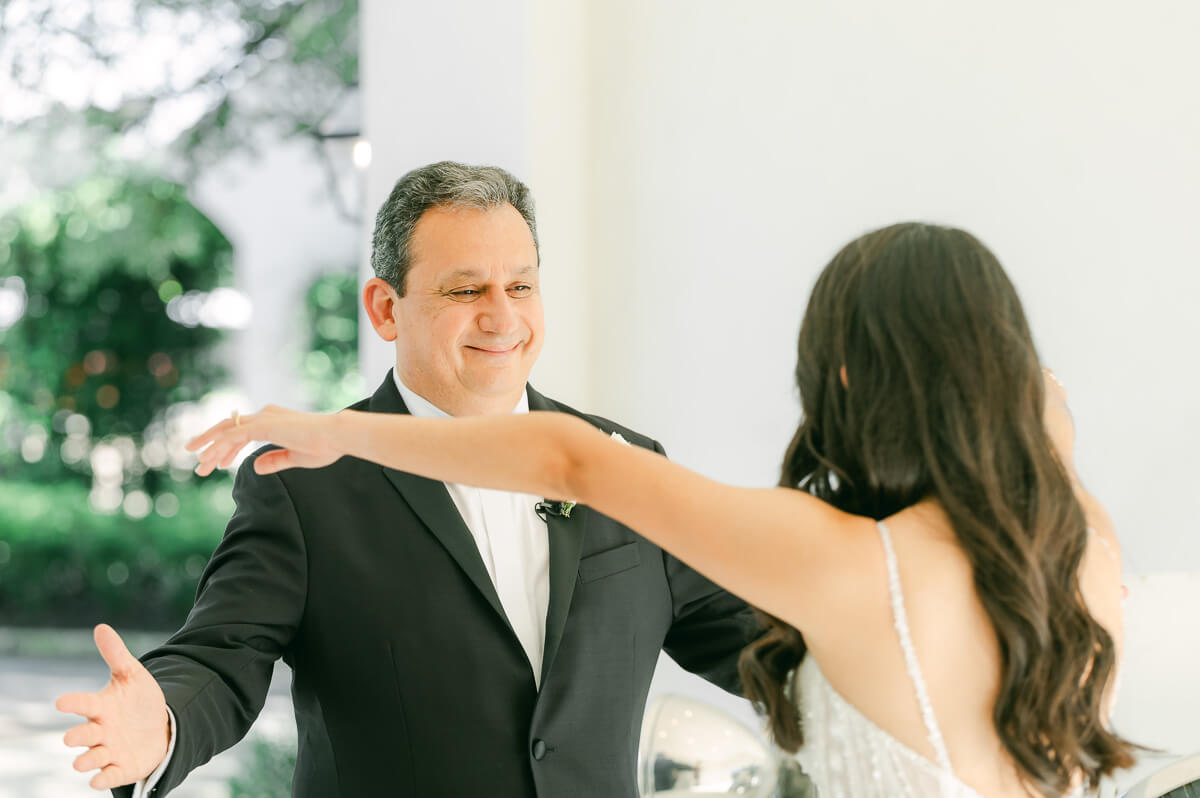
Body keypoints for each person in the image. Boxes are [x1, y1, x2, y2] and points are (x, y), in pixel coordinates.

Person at [185, 222, 1137, 797]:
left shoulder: (844, 560)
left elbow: (566, 457)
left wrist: (347, 433)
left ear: (848, 373)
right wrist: (1042, 425)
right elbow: (1045, 446)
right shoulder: (1085, 551)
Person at [55, 161, 761, 797]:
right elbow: (222, 656)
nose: (504, 316)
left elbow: (751, 644)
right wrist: (165, 720)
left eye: (521, 285)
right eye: (467, 289)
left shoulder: (621, 462)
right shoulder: (305, 483)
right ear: (385, 309)